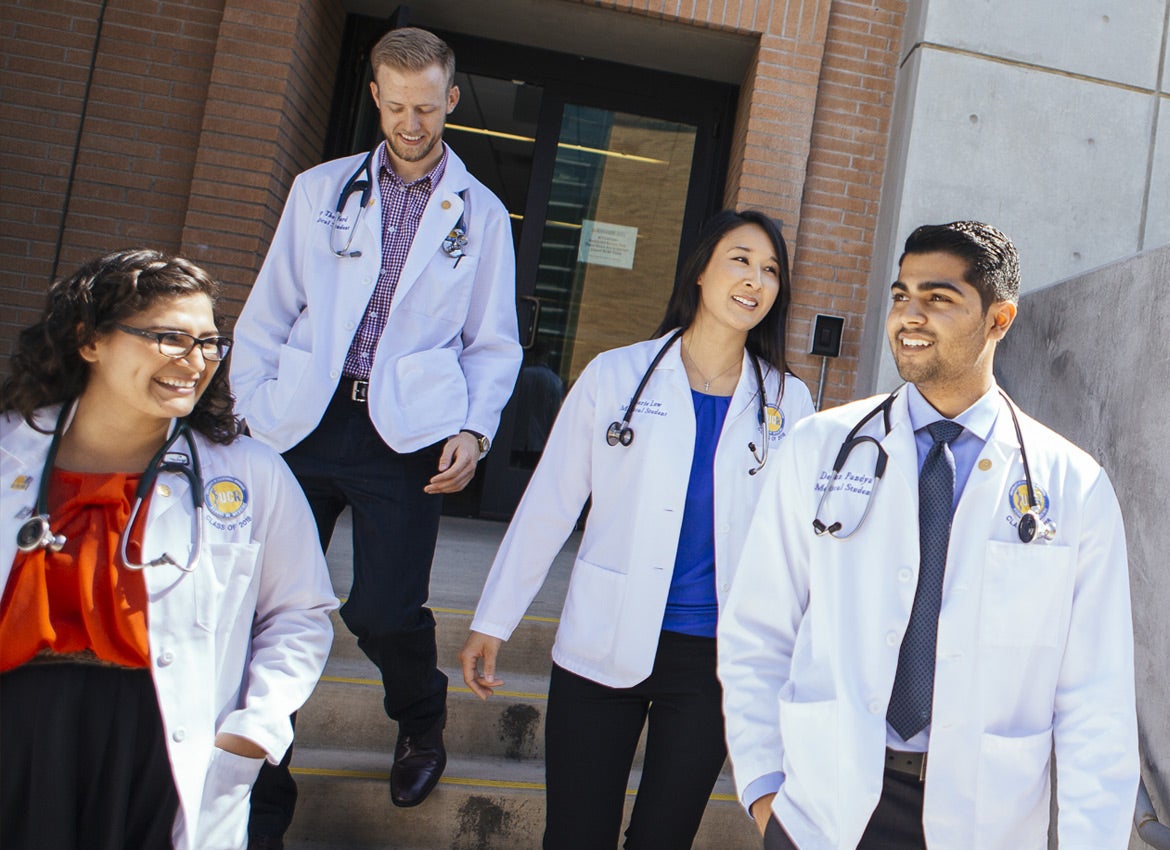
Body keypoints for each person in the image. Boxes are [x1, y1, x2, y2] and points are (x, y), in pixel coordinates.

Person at [718, 221, 1138, 849]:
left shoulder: (1073, 487)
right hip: (822, 808)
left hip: (981, 818)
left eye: (938, 298)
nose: (909, 316)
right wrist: (763, 787)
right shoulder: (819, 448)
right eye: (900, 294)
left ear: (999, 319)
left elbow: (1095, 700)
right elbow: (758, 627)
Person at [230, 25, 522, 844]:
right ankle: (263, 789)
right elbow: (269, 310)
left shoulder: (482, 214)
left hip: (407, 431)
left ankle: (419, 715)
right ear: (375, 98)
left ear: (451, 100)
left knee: (384, 609)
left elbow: (493, 341)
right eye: (396, 106)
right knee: (262, 605)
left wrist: (474, 428)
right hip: (303, 420)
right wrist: (246, 411)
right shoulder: (319, 189)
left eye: (426, 107)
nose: (410, 123)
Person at [459, 210, 816, 849]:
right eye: (741, 260)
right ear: (702, 270)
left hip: (714, 660)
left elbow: (800, 541)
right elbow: (550, 502)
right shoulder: (616, 375)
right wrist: (493, 619)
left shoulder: (789, 403)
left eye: (770, 271)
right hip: (604, 638)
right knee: (575, 836)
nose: (755, 280)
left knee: (663, 839)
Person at [0, 249, 336, 850]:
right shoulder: (9, 451)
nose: (197, 360)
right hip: (18, 735)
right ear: (89, 340)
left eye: (209, 342)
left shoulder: (249, 474)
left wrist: (254, 730)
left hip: (158, 746)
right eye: (168, 337)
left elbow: (300, 615)